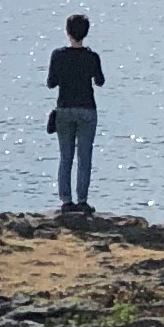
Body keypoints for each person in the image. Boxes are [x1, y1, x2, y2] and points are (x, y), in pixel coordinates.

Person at [47, 13, 103, 216]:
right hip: (87, 109)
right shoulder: (92, 57)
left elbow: (51, 82)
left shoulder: (58, 55)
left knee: (66, 157)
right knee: (84, 157)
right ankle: (82, 200)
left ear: (67, 32)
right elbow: (100, 81)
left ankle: (66, 200)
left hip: (64, 109)